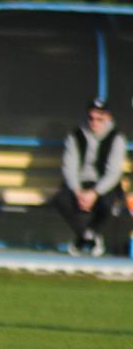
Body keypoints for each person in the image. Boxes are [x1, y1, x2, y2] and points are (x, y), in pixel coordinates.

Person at [53, 98, 126, 256]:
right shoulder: (76, 135)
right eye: (91, 118)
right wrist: (77, 191)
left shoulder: (116, 138)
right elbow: (69, 166)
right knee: (60, 200)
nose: (94, 122)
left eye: (99, 119)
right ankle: (87, 236)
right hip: (79, 185)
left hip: (103, 186)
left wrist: (94, 193)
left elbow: (113, 173)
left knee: (109, 203)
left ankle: (85, 236)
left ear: (108, 118)